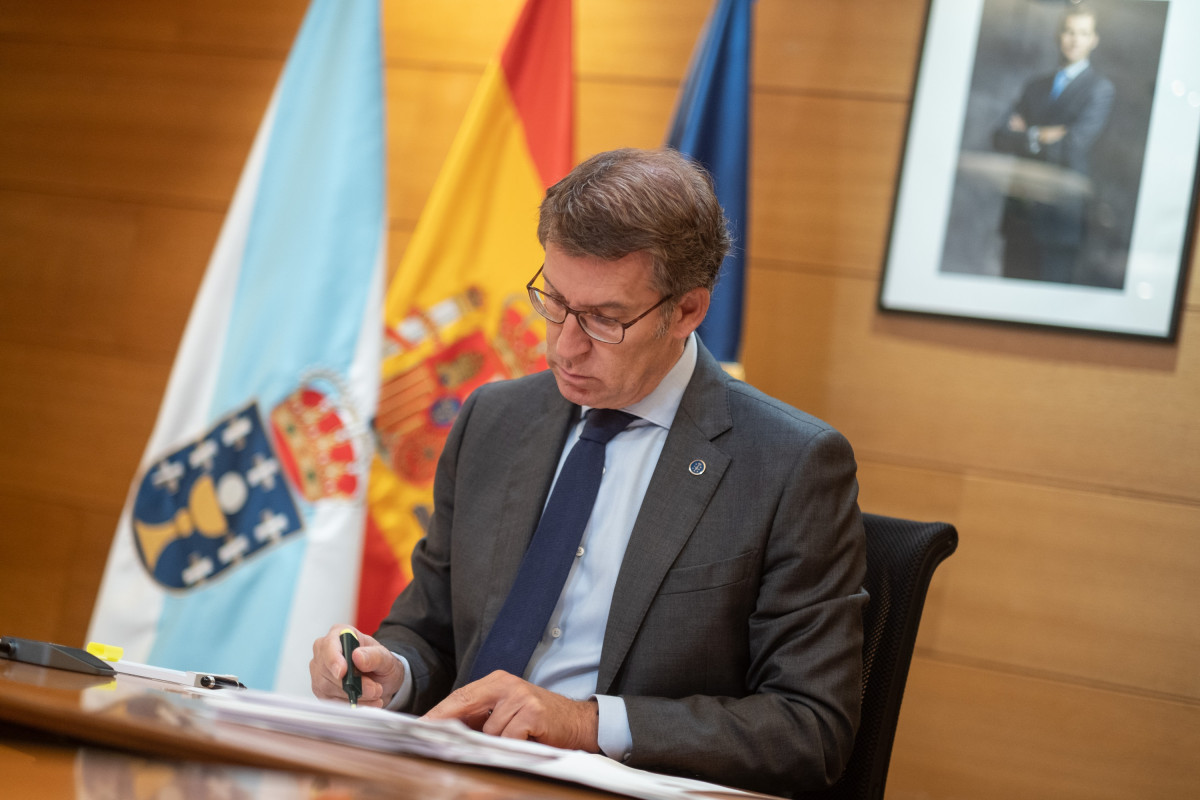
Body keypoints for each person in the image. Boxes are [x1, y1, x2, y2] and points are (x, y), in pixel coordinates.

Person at [310, 147, 867, 796]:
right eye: (553, 301)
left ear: (686, 311)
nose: (564, 345)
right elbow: (429, 627)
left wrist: (587, 723)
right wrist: (389, 670)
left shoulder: (788, 465)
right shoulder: (493, 419)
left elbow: (810, 729)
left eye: (605, 319)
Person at [993, 3, 1114, 283]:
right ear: (1058, 35)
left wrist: (1027, 133)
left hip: (1059, 221)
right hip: (1019, 216)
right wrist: (1044, 134)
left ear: (1093, 40)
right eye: (1068, 31)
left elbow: (1073, 145)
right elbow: (1000, 137)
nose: (1074, 39)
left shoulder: (1099, 89)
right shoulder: (1035, 86)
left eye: (1082, 33)